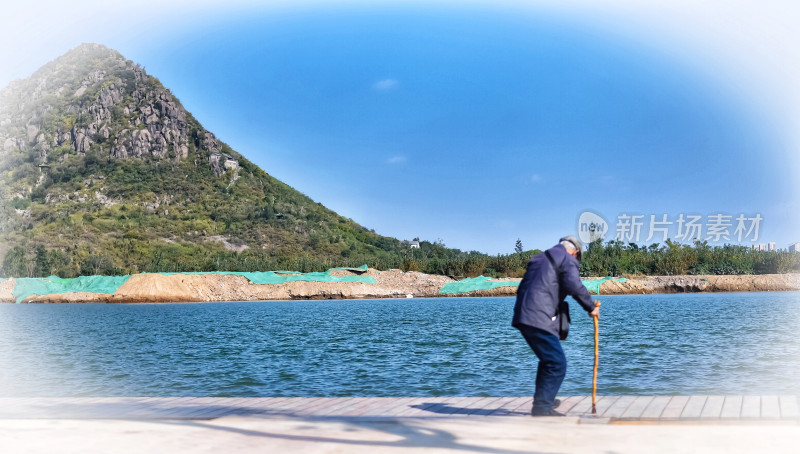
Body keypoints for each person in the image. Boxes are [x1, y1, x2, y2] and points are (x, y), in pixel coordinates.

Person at [512, 235, 600, 416]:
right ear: (575, 251)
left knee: (548, 361)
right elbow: (575, 285)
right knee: (557, 363)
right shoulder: (567, 259)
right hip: (538, 316)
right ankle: (542, 408)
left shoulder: (539, 257)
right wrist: (591, 307)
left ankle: (544, 402)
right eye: (578, 256)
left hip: (523, 315)